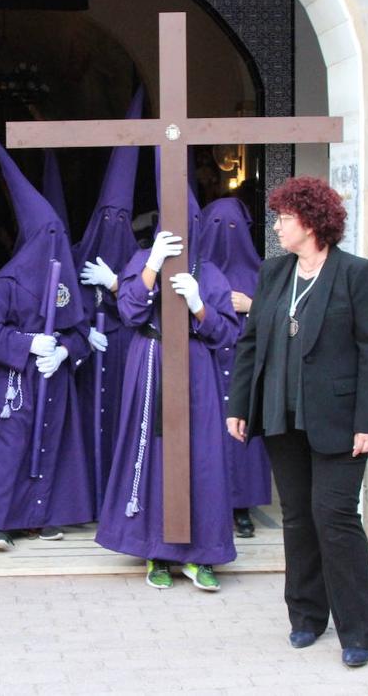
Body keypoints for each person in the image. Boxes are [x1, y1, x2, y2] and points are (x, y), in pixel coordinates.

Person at [225, 176, 368, 668]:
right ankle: (306, 616)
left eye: (284, 218)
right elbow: (252, 342)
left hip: (341, 420)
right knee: (297, 520)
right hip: (281, 414)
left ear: (313, 222)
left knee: (335, 519)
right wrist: (239, 404)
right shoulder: (274, 273)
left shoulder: (357, 273)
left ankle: (357, 630)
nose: (277, 225)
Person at [95, 154, 240, 592]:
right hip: (151, 362)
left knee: (201, 456)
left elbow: (225, 335)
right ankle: (154, 551)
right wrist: (152, 266)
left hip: (196, 372)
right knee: (152, 451)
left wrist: (199, 304)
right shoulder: (144, 259)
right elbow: (128, 310)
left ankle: (201, 554)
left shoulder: (209, 273)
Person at [0, 134, 95, 549]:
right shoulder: (5, 284)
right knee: (10, 449)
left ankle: (37, 516)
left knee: (50, 444)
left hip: (53, 378)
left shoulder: (65, 285)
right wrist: (28, 344)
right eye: (47, 236)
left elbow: (80, 331)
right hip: (15, 381)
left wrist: (63, 350)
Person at [75, 88, 143, 504]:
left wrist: (116, 282)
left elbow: (143, 305)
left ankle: (116, 496)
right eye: (108, 218)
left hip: (126, 354)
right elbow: (62, 306)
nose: (114, 225)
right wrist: (84, 331)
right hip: (90, 354)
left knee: (121, 420)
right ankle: (89, 494)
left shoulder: (138, 260)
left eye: (122, 219)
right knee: (86, 423)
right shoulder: (80, 256)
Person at [196, 196, 272, 538]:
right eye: (216, 227)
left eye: (232, 228)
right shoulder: (197, 272)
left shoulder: (264, 275)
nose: (224, 234)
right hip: (207, 367)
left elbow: (289, 320)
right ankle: (207, 505)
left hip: (245, 370)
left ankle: (242, 506)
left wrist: (252, 306)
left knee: (244, 440)